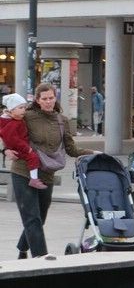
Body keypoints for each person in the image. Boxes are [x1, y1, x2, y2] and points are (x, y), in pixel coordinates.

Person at [6, 83, 95, 258]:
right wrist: (5, 149)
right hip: (23, 171)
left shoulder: (61, 120)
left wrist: (94, 153)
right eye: (44, 99)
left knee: (40, 218)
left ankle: (22, 248)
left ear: (55, 98)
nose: (48, 102)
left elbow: (71, 149)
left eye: (51, 98)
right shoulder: (27, 117)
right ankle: (42, 257)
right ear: (37, 101)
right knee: (32, 218)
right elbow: (7, 132)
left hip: (46, 174)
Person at [0, 94, 47, 189]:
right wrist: (26, 148)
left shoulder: (12, 120)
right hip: (20, 149)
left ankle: (34, 178)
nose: (23, 110)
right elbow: (13, 139)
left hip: (18, 148)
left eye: (24, 108)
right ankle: (34, 179)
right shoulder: (13, 123)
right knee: (33, 157)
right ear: (11, 110)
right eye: (20, 108)